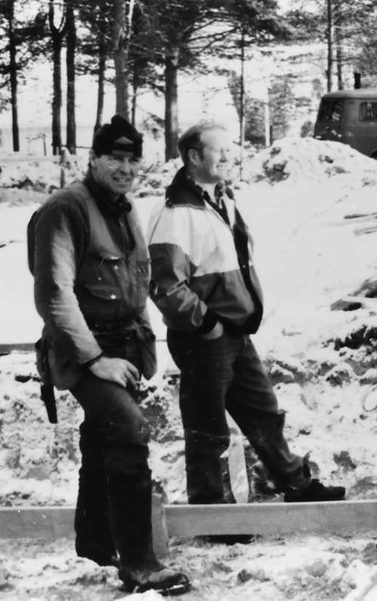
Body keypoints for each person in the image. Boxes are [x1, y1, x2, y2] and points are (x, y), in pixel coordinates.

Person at [147, 122, 345, 535]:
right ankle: (212, 518)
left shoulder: (222, 199)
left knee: (263, 413)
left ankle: (296, 484)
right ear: (194, 157)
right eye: (218, 151)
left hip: (234, 333)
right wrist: (209, 325)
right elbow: (165, 286)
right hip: (206, 337)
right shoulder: (175, 214)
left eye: (228, 150)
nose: (227, 158)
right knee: (208, 430)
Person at [28, 115, 191, 595]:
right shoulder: (65, 209)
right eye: (113, 158)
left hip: (124, 348)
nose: (124, 167)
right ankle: (140, 564)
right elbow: (54, 295)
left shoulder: (124, 209)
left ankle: (97, 543)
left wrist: (139, 347)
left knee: (104, 435)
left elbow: (135, 282)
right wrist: (96, 359)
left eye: (131, 159)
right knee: (129, 430)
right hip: (81, 350)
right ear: (92, 159)